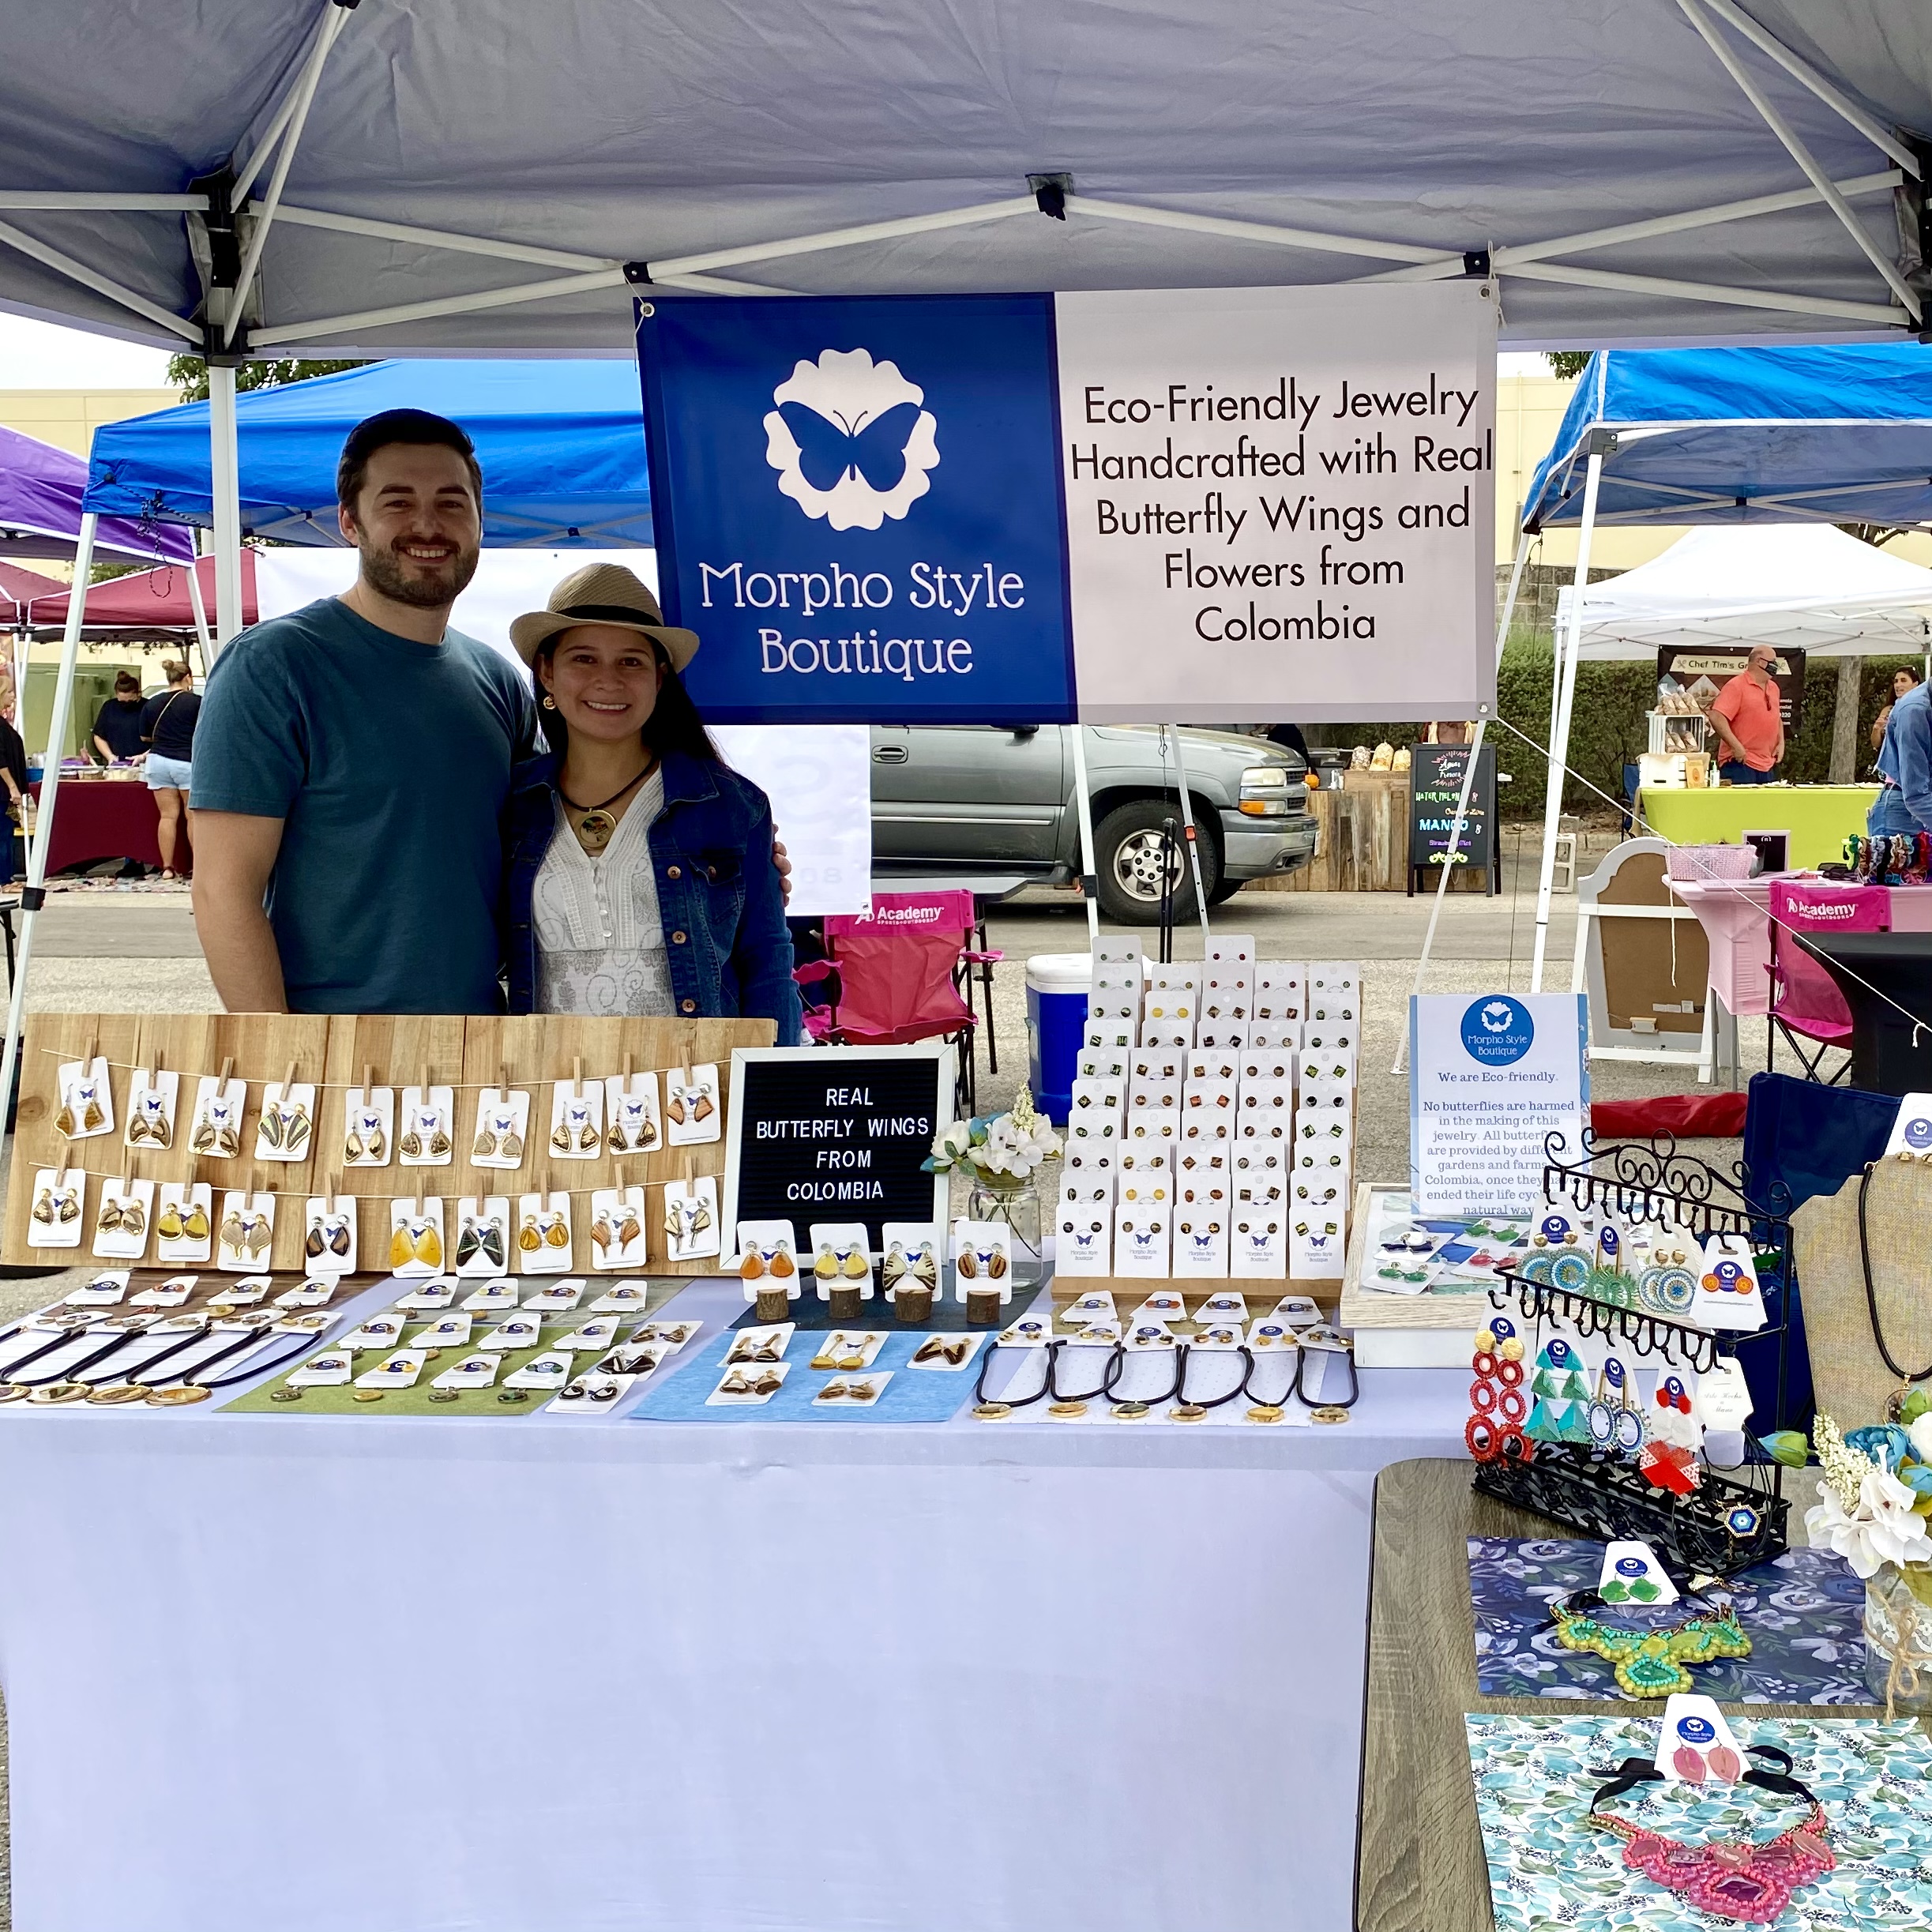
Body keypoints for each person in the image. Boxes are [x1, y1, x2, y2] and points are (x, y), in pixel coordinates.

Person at [190, 408, 537, 1013]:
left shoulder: (498, 681)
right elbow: (223, 893)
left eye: (452, 503)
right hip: (334, 1046)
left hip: (482, 1040)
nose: (427, 524)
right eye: (397, 503)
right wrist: (282, 1055)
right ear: (350, 522)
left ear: (480, 521)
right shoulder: (275, 666)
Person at [501, 562, 802, 1040]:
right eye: (584, 658)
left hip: (696, 1081)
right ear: (547, 673)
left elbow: (766, 961)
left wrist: (771, 1077)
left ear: (659, 678)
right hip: (549, 1081)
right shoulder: (510, 805)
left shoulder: (730, 806)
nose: (608, 680)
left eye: (631, 661)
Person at [139, 658, 200, 881]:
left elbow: (144, 737)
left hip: (158, 761)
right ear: (188, 678)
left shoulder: (152, 703)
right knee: (192, 816)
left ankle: (167, 868)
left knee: (167, 816)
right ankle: (198, 867)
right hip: (186, 761)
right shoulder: (197, 703)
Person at [1706, 645, 1785, 784]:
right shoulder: (1737, 685)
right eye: (1772, 662)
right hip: (1740, 762)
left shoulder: (1774, 688)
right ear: (1759, 661)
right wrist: (1736, 746)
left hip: (1767, 763)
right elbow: (1716, 716)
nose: (1775, 666)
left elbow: (1776, 717)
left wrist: (1781, 742)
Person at [1871, 674, 1932, 836]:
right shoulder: (1913, 711)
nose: (1898, 685)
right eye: (1896, 681)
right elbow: (1916, 795)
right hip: (1903, 810)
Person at [0, 683, 26, 885]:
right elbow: (0, 760)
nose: (13, 696)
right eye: (9, 692)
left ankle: (6, 876)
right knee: (3, 834)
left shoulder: (4, 723)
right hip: (3, 791)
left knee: (8, 831)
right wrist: (12, 786)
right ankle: (3, 878)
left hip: (7, 793)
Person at [90, 671, 146, 764]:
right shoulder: (109, 707)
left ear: (138, 694)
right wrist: (109, 756)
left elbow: (161, 741)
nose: (126, 704)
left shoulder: (148, 707)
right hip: (116, 763)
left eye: (130, 701)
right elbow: (99, 736)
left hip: (144, 762)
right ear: (116, 694)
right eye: (122, 702)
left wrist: (143, 756)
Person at [1871, 664, 1922, 754]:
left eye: (1903, 680)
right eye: (1896, 681)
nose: (1898, 685)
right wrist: (1876, 730)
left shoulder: (1923, 709)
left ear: (1915, 684)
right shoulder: (1888, 710)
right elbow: (1876, 744)